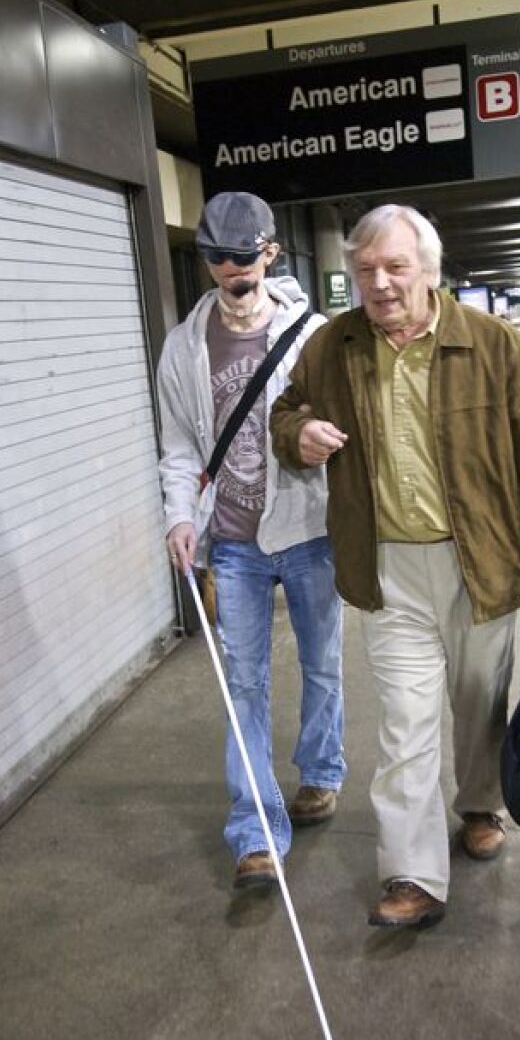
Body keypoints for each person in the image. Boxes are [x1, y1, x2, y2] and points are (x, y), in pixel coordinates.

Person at [270, 203, 520, 929]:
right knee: (403, 726)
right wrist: (298, 432)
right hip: (386, 568)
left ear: (429, 270)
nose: (381, 283)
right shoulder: (335, 347)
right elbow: (286, 411)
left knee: (477, 708)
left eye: (396, 267)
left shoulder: (491, 345)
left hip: (482, 563)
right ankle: (413, 872)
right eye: (366, 270)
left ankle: (481, 803)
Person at [157, 192, 346, 891]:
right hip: (232, 540)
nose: (231, 269)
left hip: (307, 529)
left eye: (244, 255)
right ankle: (256, 830)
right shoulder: (183, 346)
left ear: (270, 253)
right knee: (244, 686)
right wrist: (180, 515)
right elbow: (178, 444)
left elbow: (340, 417)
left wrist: (322, 437)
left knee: (323, 664)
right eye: (216, 256)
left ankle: (322, 769)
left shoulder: (311, 333)